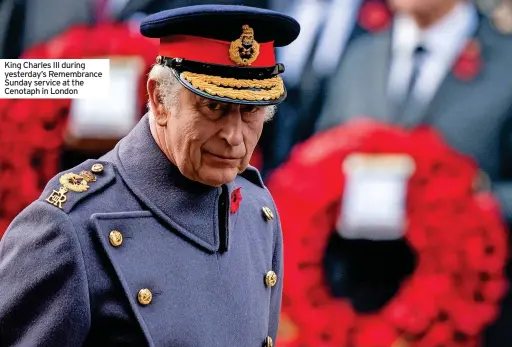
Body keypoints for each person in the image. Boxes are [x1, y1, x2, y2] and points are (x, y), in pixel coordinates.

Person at [0, 4, 300, 346]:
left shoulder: (257, 211)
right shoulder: (69, 226)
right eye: (213, 107)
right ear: (159, 99)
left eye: (251, 111)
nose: (233, 135)